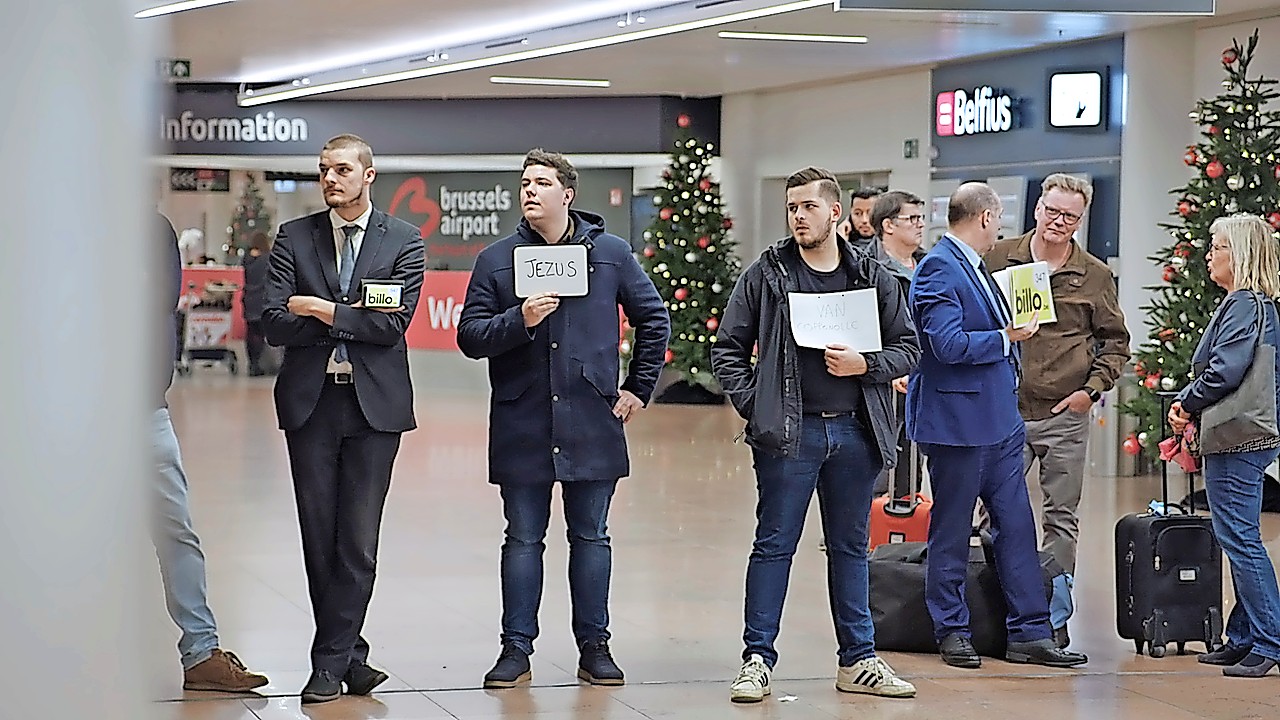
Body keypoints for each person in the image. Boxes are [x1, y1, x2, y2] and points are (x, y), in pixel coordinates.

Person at [457, 149, 669, 690]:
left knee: (591, 536)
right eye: (525, 183)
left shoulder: (611, 254)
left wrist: (637, 389)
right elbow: (470, 336)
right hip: (521, 420)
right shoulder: (496, 261)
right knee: (522, 538)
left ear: (567, 194)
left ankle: (594, 646)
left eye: (541, 183)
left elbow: (653, 319)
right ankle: (515, 649)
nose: (529, 191)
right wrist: (519, 319)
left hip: (592, 418)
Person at [712, 167, 921, 703]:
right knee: (774, 545)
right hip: (789, 435)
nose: (798, 216)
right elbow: (728, 350)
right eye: (791, 208)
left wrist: (866, 365)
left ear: (836, 213)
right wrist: (755, 407)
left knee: (851, 547)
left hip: (856, 433)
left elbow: (909, 348)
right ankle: (757, 659)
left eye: (808, 206)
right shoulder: (769, 273)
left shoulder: (873, 276)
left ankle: (858, 659)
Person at [262, 134, 426, 704]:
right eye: (323, 171)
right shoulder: (294, 238)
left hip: (374, 409)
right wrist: (347, 317)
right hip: (311, 404)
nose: (330, 179)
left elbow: (391, 326)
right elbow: (271, 321)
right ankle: (350, 656)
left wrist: (318, 307)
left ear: (369, 176)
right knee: (319, 539)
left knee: (356, 540)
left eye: (341, 170)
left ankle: (327, 663)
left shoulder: (404, 241)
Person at [906, 182, 1087, 669]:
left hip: (1001, 423)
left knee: (1017, 527)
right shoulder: (937, 270)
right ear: (984, 218)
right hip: (957, 426)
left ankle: (1030, 631)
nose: (1000, 227)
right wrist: (1005, 336)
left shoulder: (979, 268)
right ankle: (951, 628)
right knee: (951, 530)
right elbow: (945, 344)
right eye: (998, 219)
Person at [985, 175, 1130, 624]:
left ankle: (1053, 615)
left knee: (1061, 516)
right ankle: (995, 605)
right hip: (1002, 409)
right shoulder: (998, 258)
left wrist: (1090, 392)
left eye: (1070, 216)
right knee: (991, 508)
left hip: (1064, 412)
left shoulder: (1094, 275)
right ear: (1036, 209)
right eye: (1052, 211)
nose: (1059, 222)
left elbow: (1116, 342)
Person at [151, 212, 268, 693]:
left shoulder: (152, 231)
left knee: (176, 530)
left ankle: (201, 652)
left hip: (143, 412)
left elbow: (156, 302)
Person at [1169, 213, 1280, 678]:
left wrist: (1185, 402)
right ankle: (1245, 636)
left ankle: (1270, 639)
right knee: (1237, 534)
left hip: (1239, 436)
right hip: (1248, 435)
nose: (1209, 254)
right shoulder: (1258, 306)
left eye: (1217, 246)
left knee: (1240, 537)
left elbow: (1224, 372)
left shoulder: (1243, 305)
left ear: (1241, 254)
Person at [868, 190, 928, 497]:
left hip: (923, 384)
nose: (920, 225)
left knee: (910, 471)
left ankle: (903, 536)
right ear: (888, 225)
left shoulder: (930, 266)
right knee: (877, 471)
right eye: (912, 218)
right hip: (880, 388)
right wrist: (887, 369)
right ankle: (863, 539)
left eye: (921, 218)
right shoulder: (864, 268)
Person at [241, 230, 274, 376]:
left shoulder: (247, 259)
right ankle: (262, 364)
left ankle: (252, 363)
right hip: (263, 299)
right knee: (262, 333)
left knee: (251, 333)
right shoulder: (268, 259)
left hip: (249, 299)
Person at [847, 186, 882, 255]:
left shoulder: (889, 245)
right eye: (857, 213)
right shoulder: (840, 240)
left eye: (870, 214)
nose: (864, 220)